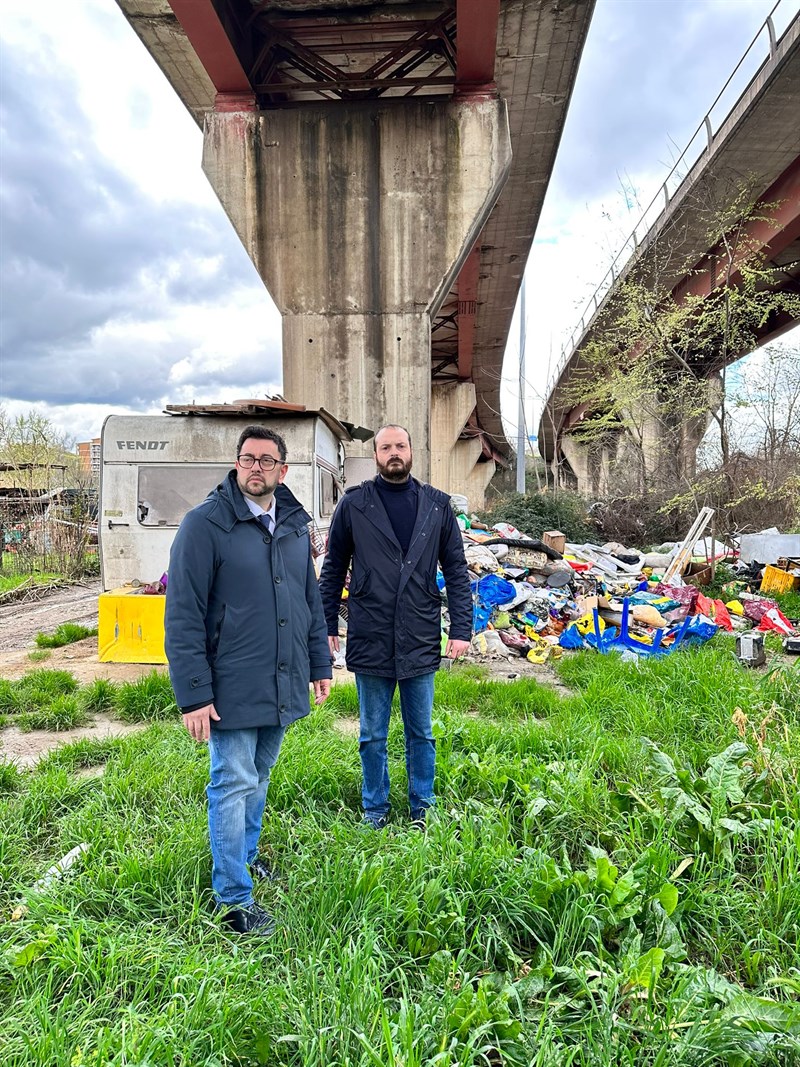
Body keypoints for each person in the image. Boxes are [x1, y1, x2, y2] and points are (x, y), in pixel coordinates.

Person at [165, 425, 332, 937]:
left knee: (258, 777)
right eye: (246, 458)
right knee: (231, 782)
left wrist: (319, 663)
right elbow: (183, 614)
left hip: (282, 679)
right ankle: (233, 901)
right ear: (237, 464)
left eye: (265, 460)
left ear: (282, 470)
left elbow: (309, 599)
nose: (255, 468)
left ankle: (246, 857)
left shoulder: (292, 526)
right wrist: (194, 692)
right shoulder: (205, 525)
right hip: (230, 684)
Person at [319, 424, 472, 829]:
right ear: (375, 455)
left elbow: (456, 570)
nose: (393, 453)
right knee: (372, 734)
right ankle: (375, 808)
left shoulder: (437, 506)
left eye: (400, 445)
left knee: (420, 732)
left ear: (411, 451)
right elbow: (333, 566)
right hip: (370, 632)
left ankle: (423, 806)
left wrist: (461, 628)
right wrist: (326, 621)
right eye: (385, 447)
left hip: (420, 633)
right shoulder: (354, 505)